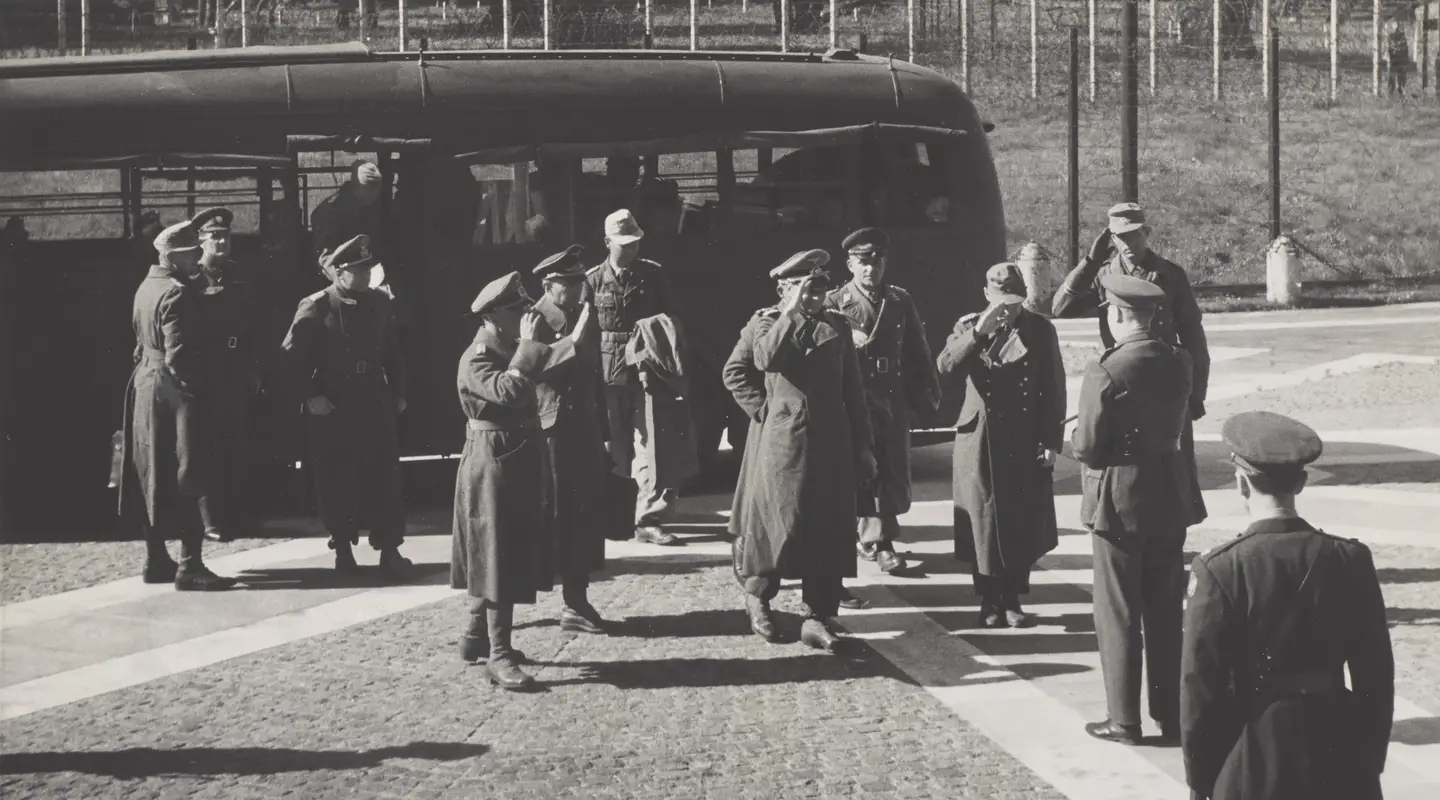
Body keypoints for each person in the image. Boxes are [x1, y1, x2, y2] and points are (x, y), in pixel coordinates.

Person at [1182, 412, 1395, 799]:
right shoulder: (1350, 559)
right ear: (1301, 481)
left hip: (1252, 751)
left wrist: (1200, 778)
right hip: (1338, 747)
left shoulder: (1220, 568)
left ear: (1241, 483)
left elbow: (1201, 687)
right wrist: (1367, 761)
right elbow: (1376, 674)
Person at [1072, 274, 1201, 745]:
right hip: (1168, 494)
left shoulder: (1106, 368)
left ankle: (1124, 720)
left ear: (1119, 314)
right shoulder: (1179, 359)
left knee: (1118, 611)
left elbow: (1087, 445)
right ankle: (1170, 714)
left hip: (1119, 500)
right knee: (1165, 610)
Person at [725, 249, 876, 650]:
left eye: (819, 287)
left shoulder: (837, 326)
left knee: (829, 527)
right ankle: (758, 597)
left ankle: (820, 615)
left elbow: (853, 391)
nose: (813, 296)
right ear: (783, 289)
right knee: (778, 524)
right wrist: (766, 413)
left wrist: (864, 448)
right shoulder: (767, 322)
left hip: (832, 443)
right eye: (803, 288)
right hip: (783, 444)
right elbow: (750, 365)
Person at [452, 271, 584, 692]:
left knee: (499, 548)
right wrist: (528, 348)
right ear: (492, 316)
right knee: (497, 555)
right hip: (491, 461)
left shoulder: (506, 347)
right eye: (516, 310)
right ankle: (499, 655)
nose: (527, 315)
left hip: (515, 457)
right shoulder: (477, 357)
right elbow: (511, 391)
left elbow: (544, 370)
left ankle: (476, 637)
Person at [1052, 202, 1209, 526]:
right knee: (1121, 461)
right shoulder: (1104, 274)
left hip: (1165, 381)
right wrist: (1090, 261)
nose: (1128, 244)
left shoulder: (1170, 274)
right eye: (1119, 238)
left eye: (1134, 236)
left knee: (1173, 461)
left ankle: (1173, 528)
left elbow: (1194, 337)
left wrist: (1196, 395)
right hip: (1120, 380)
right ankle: (1121, 523)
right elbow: (1060, 308)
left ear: (1146, 233)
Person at [936, 262, 1066, 629]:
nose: (1005, 309)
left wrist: (1050, 440)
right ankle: (988, 599)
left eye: (1012, 301)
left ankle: (1013, 598)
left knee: (1019, 517)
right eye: (999, 301)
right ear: (986, 296)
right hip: (980, 437)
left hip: (1024, 434)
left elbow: (1053, 387)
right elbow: (946, 367)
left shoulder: (1039, 329)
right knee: (983, 519)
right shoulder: (969, 326)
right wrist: (979, 331)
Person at [116, 219, 238, 591]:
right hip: (176, 392)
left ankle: (156, 559)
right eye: (189, 254)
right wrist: (201, 393)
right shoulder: (177, 293)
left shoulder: (145, 286)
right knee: (190, 470)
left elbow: (141, 343)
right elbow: (180, 356)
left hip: (146, 385)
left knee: (151, 471)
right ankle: (191, 565)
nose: (194, 259)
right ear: (173, 256)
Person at [281, 234, 411, 580]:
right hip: (334, 402)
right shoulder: (317, 306)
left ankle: (390, 549)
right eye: (358, 269)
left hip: (373, 398)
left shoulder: (380, 304)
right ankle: (343, 549)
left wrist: (399, 392)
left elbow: (393, 352)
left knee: (384, 476)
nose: (366, 275)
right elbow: (291, 358)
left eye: (368, 267)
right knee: (337, 478)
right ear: (340, 273)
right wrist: (310, 395)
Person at [825, 227, 941, 575]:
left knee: (892, 469)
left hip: (891, 396)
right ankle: (879, 541)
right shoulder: (836, 302)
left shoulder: (899, 300)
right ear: (850, 264)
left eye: (876, 262)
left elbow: (917, 349)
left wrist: (928, 394)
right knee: (864, 468)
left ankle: (873, 536)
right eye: (862, 262)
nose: (869, 269)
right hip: (856, 398)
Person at [584, 208, 686, 546]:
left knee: (652, 442)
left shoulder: (654, 275)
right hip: (606, 370)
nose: (630, 249)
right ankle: (611, 514)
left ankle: (649, 519)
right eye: (623, 243)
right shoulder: (591, 280)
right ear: (606, 242)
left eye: (634, 242)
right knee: (610, 445)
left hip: (646, 367)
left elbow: (671, 319)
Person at [530, 245, 611, 634]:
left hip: (584, 428)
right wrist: (573, 341)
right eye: (569, 282)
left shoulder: (584, 314)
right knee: (554, 516)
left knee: (583, 515)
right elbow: (535, 367)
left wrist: (606, 432)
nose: (579, 288)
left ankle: (576, 603)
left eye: (581, 281)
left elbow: (595, 375)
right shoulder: (534, 318)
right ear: (549, 284)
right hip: (550, 430)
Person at [189, 207, 262, 543]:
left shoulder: (236, 276)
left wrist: (252, 369)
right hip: (208, 372)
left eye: (225, 236)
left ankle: (237, 516)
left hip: (235, 369)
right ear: (201, 241)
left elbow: (250, 328)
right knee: (208, 448)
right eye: (214, 236)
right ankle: (211, 520)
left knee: (238, 445)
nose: (221, 241)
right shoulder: (192, 280)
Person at [311, 160, 387, 265]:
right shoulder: (330, 212)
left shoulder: (373, 205)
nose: (375, 195)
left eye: (378, 190)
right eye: (370, 191)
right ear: (356, 187)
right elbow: (326, 258)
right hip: (340, 269)